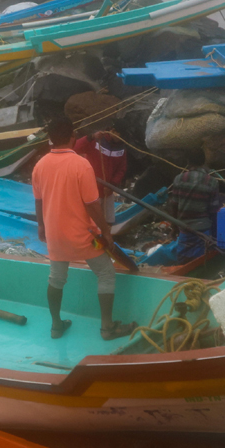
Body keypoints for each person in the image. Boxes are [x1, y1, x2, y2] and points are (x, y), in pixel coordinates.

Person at [32, 119, 131, 341]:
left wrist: (40, 225)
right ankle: (107, 327)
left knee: (56, 278)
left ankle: (56, 326)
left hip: (55, 235)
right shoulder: (81, 165)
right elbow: (92, 204)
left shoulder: (39, 165)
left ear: (50, 138)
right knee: (105, 273)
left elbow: (38, 201)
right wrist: (105, 231)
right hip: (84, 236)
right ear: (72, 137)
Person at [165, 158, 220, 264]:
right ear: (204, 162)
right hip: (203, 229)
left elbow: (174, 205)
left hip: (185, 227)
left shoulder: (179, 179)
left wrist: (174, 227)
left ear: (188, 162)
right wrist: (215, 234)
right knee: (203, 260)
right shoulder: (212, 181)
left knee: (183, 260)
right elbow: (213, 210)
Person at [73, 129, 127, 227]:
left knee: (108, 222)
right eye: (117, 132)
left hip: (108, 191)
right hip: (91, 190)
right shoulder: (97, 141)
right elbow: (75, 148)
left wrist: (112, 185)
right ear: (112, 131)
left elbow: (121, 169)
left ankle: (106, 238)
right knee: (90, 221)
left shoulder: (121, 148)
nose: (119, 136)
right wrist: (91, 136)